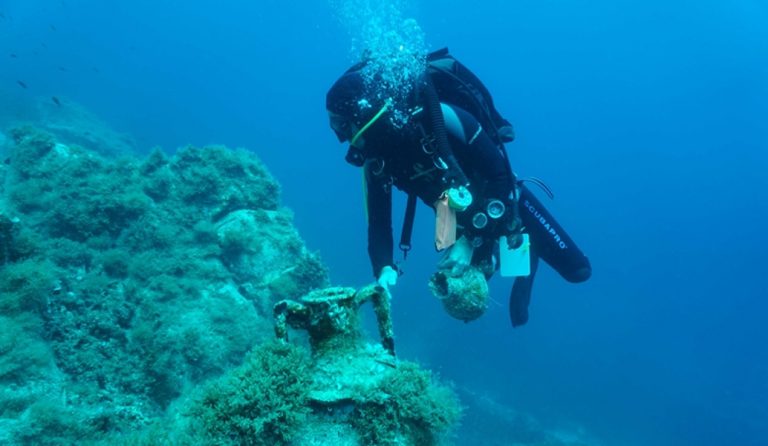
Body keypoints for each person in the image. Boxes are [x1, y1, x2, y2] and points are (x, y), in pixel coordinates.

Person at [325, 48, 591, 327]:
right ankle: (500, 253)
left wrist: (467, 242)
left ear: (366, 115)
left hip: (499, 199)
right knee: (459, 293)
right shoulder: (376, 160)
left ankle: (523, 246)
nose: (342, 138)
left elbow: (500, 175)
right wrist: (383, 269)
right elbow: (378, 224)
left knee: (578, 271)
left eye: (342, 125)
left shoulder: (441, 117)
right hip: (455, 215)